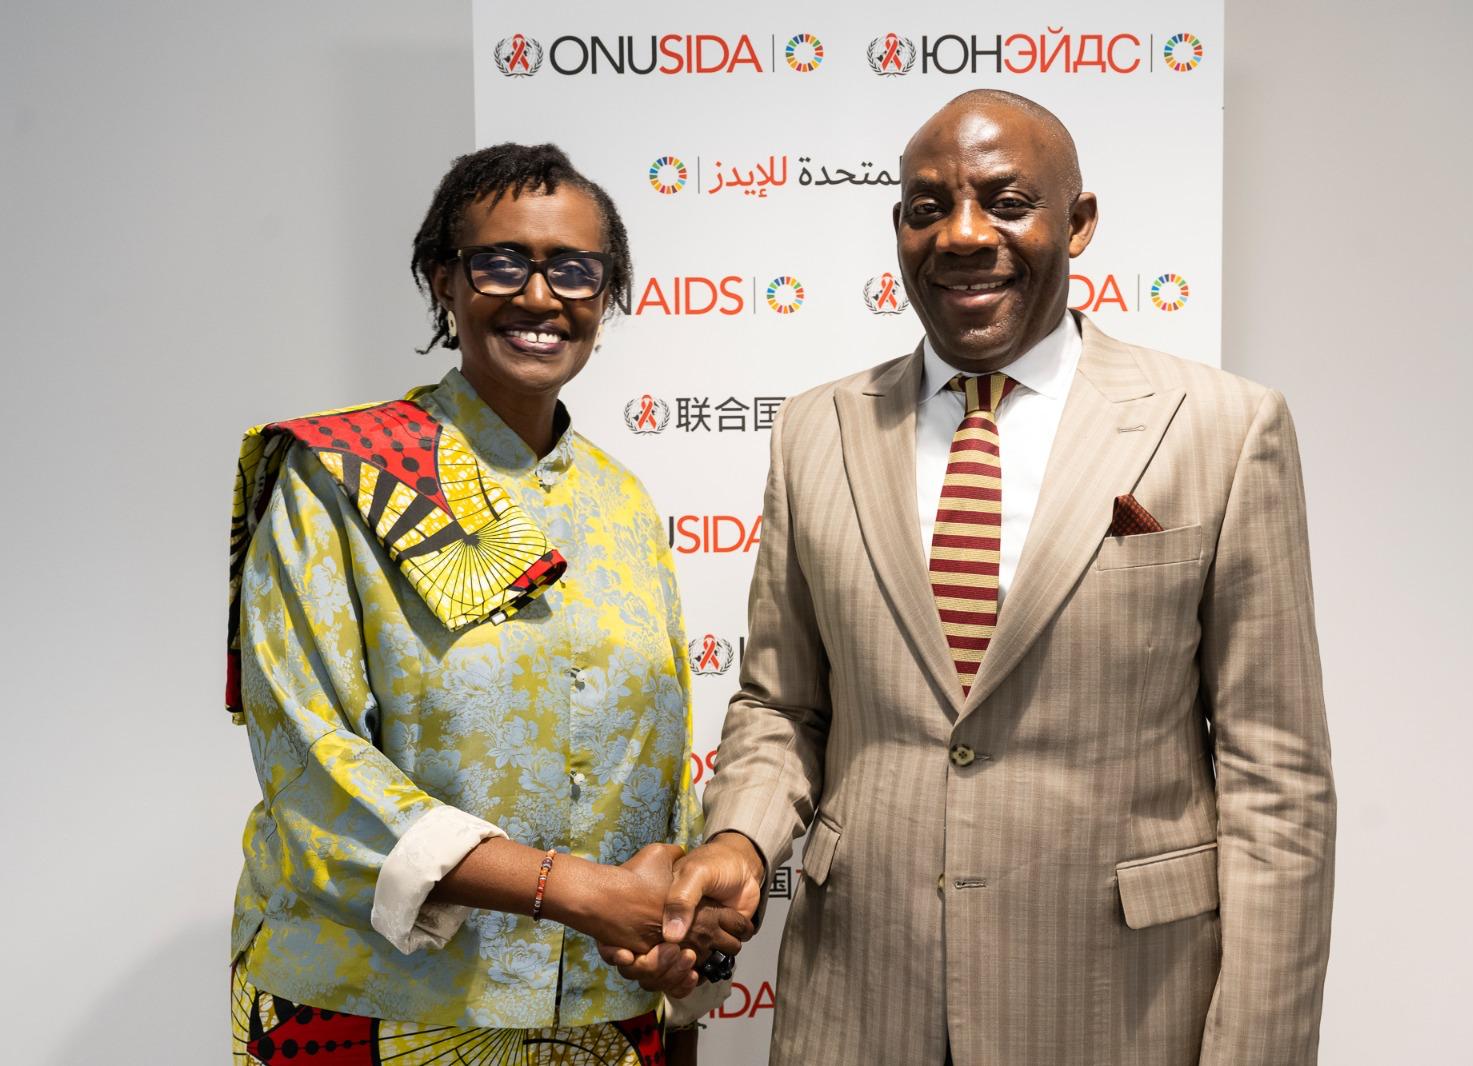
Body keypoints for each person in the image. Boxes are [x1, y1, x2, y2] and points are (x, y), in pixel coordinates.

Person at [647, 90, 1337, 1064]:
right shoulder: (817, 429)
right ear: (899, 230)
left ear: (1079, 222)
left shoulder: (1221, 427)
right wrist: (740, 842)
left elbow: (1278, 780)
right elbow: (781, 705)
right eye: (929, 208)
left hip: (1121, 1004)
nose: (964, 234)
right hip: (859, 1001)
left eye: (1006, 201)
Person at [226, 143, 745, 1066]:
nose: (540, 297)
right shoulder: (336, 478)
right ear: (444, 282)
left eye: (575, 271)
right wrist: (571, 890)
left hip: (599, 1010)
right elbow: (314, 763)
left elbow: (658, 773)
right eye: (502, 262)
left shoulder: (622, 504)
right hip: (375, 1008)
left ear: (607, 295)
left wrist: (667, 921)